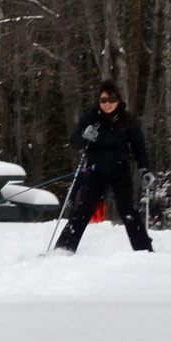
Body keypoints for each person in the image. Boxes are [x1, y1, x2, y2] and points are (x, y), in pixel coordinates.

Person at [54, 80, 154, 253]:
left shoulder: (127, 120)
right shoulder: (92, 118)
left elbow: (139, 146)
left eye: (111, 99)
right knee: (84, 209)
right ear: (99, 101)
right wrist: (85, 136)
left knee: (127, 210)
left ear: (118, 100)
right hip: (96, 170)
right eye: (103, 100)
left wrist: (144, 169)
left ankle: (144, 249)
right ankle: (64, 248)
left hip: (120, 169)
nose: (107, 104)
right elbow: (75, 142)